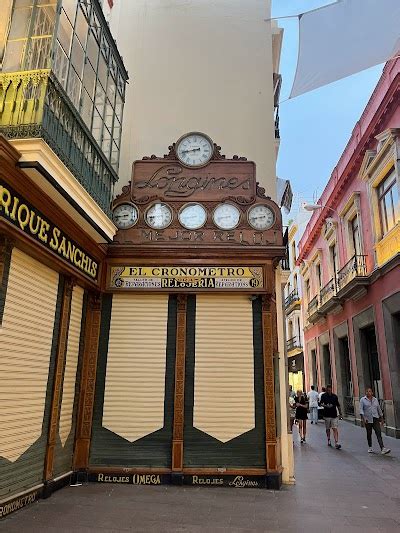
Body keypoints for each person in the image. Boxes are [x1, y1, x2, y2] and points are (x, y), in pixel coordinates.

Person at [359, 388, 390, 455]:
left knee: (378, 433)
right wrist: (364, 419)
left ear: (372, 392)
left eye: (369, 391)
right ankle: (370, 447)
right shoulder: (362, 400)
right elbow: (361, 410)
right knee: (369, 434)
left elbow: (379, 409)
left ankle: (382, 448)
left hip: (375, 418)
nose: (368, 392)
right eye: (367, 391)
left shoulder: (375, 400)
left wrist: (382, 419)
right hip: (368, 419)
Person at [320, 385, 342, 449]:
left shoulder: (335, 396)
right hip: (326, 415)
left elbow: (338, 405)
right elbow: (321, 403)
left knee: (335, 428)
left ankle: (336, 442)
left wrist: (340, 413)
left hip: (334, 415)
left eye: (330, 390)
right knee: (328, 428)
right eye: (328, 390)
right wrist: (326, 406)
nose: (329, 391)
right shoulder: (323, 396)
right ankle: (329, 439)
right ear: (326, 390)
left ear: (331, 389)